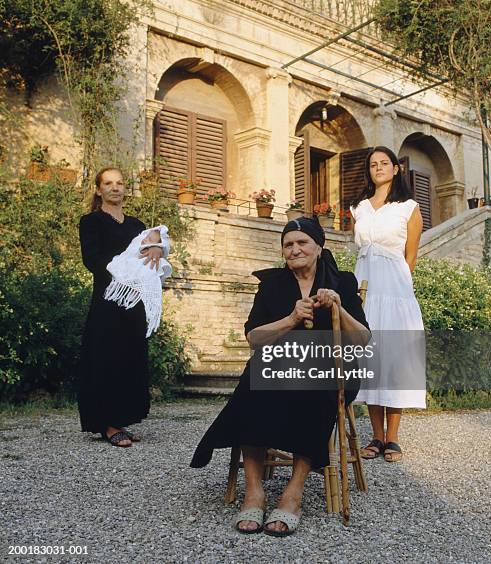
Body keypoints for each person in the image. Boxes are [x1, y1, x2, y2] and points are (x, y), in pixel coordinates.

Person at [190, 217, 370, 537]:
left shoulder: (341, 280)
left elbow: (362, 340)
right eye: (288, 244)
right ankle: (254, 491)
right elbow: (254, 339)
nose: (295, 249)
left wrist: (338, 309)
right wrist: (290, 318)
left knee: (316, 387)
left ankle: (293, 493)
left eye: (302, 242)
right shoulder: (273, 284)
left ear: (318, 246)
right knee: (252, 384)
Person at [78, 167, 165, 448]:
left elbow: (153, 246)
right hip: (107, 299)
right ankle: (107, 424)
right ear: (98, 189)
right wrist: (127, 264)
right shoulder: (91, 222)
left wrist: (157, 249)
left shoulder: (136, 225)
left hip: (133, 302)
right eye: (108, 183)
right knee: (106, 358)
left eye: (119, 183)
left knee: (129, 358)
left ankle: (122, 419)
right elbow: (93, 261)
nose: (115, 188)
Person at [350, 146, 426, 463]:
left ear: (396, 168)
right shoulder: (359, 208)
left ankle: (392, 438)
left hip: (394, 290)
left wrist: (400, 288)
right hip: (364, 286)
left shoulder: (409, 208)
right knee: (370, 359)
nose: (378, 167)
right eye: (373, 164)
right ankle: (376, 436)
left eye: (384, 163)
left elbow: (410, 256)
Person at [104, 225, 172, 337]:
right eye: (147, 237)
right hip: (117, 298)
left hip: (135, 304)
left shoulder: (153, 251)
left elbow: (155, 268)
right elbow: (131, 253)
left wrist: (158, 249)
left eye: (150, 240)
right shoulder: (138, 244)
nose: (145, 240)